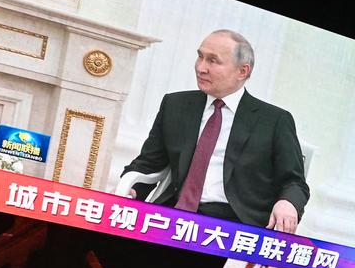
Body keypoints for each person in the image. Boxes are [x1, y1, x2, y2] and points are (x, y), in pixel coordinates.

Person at [120, 29, 310, 232]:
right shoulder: (176, 105)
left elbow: (294, 182)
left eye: (213, 61)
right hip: (173, 214)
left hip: (234, 223)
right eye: (200, 56)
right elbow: (148, 163)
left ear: (242, 71)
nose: (201, 68)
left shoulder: (274, 120)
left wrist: (288, 203)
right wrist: (129, 190)